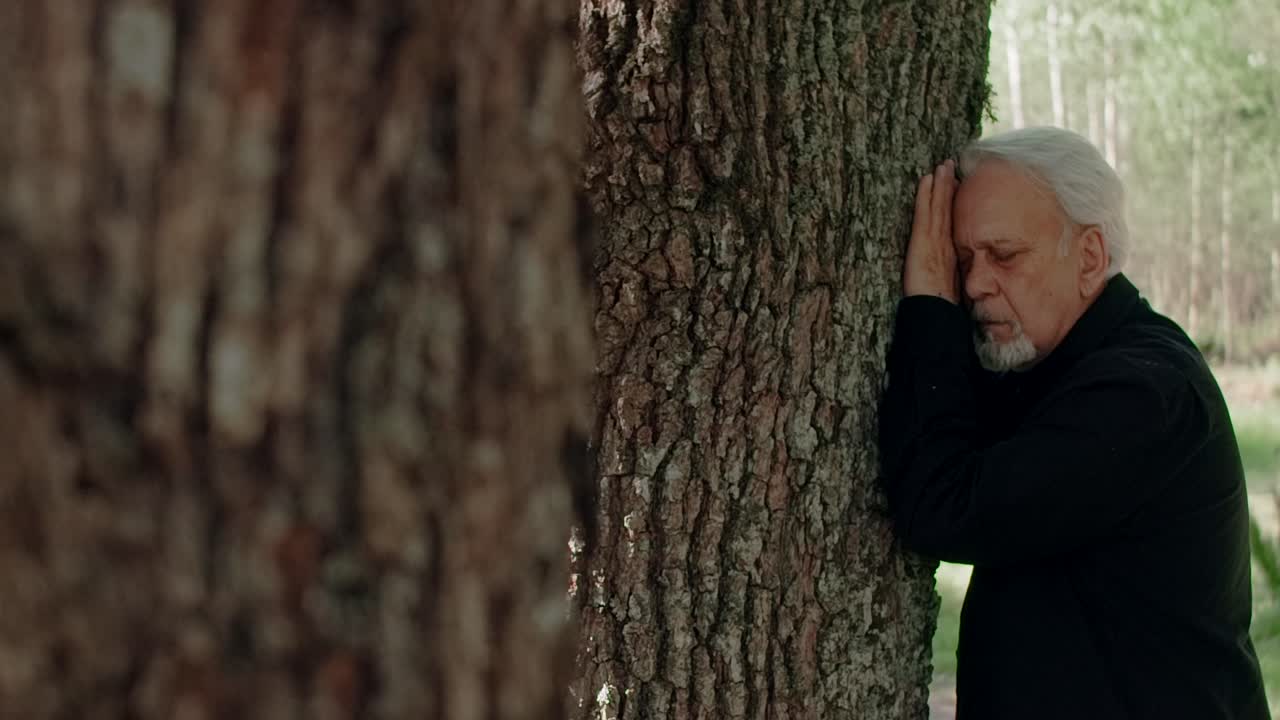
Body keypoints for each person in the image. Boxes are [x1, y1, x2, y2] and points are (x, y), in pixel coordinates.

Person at [878, 126, 1270, 719]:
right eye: (962, 261)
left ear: (1089, 256)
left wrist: (930, 308)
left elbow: (944, 506)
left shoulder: (1142, 394)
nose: (976, 284)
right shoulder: (1056, 366)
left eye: (1004, 255)